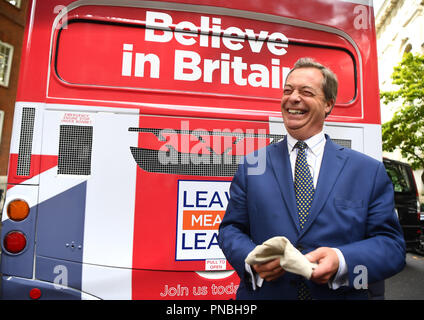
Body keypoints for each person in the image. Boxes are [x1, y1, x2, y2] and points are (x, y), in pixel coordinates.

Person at [218, 57, 406, 300]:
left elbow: (392, 246)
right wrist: (250, 258)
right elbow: (231, 229)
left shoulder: (368, 171)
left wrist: (341, 261)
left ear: (328, 104)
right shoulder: (253, 164)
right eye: (288, 90)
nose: (293, 98)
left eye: (306, 92)